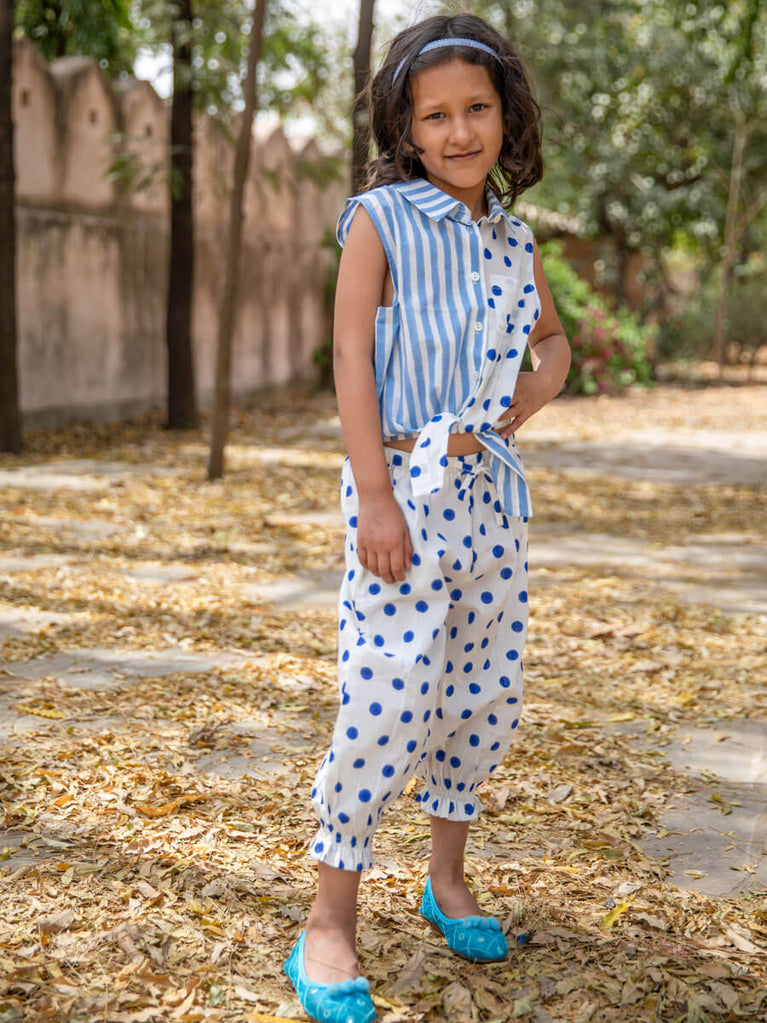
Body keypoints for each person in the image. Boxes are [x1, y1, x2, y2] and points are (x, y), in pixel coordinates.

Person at [284, 13, 571, 1022]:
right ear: (405, 128)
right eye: (435, 115)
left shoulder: (513, 235)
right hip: (401, 489)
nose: (459, 132)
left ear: (506, 115)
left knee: (480, 694)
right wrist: (374, 496)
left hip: (490, 497)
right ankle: (328, 919)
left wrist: (530, 392)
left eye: (476, 109)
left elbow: (552, 342)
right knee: (386, 697)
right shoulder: (380, 220)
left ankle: (445, 881)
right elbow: (350, 358)